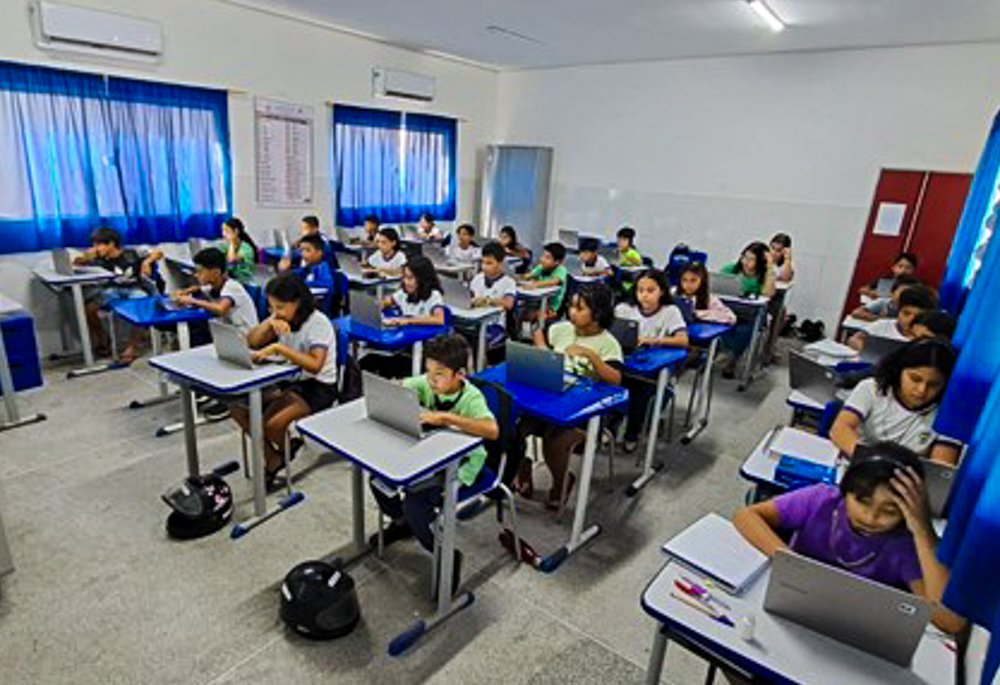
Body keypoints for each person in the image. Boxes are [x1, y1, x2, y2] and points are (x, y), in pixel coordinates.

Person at [732, 442, 964, 633]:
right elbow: (746, 516)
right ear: (846, 490)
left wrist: (922, 529)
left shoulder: (905, 545)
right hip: (792, 606)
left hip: (851, 630)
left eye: (890, 511)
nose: (871, 517)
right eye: (862, 501)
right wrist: (788, 560)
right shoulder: (821, 500)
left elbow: (950, 622)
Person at [368, 333, 499, 592]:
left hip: (462, 466)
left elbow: (492, 430)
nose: (431, 380)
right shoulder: (428, 383)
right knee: (378, 479)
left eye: (439, 374)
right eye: (428, 372)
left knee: (416, 503)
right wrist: (394, 390)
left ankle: (445, 554)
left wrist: (445, 418)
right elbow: (400, 386)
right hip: (428, 458)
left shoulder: (471, 398)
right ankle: (403, 522)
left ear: (459, 374)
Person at [511, 283, 623, 508]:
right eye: (571, 306)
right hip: (549, 401)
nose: (572, 312)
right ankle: (522, 468)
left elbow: (615, 379)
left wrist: (591, 356)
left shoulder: (608, 343)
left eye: (579, 308)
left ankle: (561, 482)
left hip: (583, 412)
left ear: (598, 313)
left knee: (554, 441)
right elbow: (539, 336)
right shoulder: (561, 329)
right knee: (512, 428)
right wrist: (542, 348)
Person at [233, 274, 338, 488]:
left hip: (317, 386)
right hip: (289, 380)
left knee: (272, 425)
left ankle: (287, 448)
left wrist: (279, 348)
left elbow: (315, 365)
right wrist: (270, 321)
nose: (276, 312)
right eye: (271, 307)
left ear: (297, 303)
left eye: (280, 307)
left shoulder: (318, 323)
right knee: (238, 409)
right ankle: (274, 457)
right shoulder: (282, 318)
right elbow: (252, 341)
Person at [830, 339, 961, 465]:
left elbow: (940, 467)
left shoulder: (950, 415)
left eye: (934, 385)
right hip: (857, 464)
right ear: (899, 370)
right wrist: (873, 462)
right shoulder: (871, 388)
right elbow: (839, 430)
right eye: (915, 379)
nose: (922, 390)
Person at [614, 269, 688, 452]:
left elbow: (683, 340)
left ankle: (632, 434)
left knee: (640, 389)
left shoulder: (670, 311)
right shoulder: (624, 309)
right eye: (640, 290)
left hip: (653, 369)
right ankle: (610, 426)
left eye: (650, 290)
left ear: (661, 291)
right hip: (626, 362)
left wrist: (653, 340)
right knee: (609, 381)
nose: (644, 295)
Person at [74, 226, 164, 363]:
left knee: (140, 307)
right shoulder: (98, 258)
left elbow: (158, 253)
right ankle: (103, 339)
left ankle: (132, 346)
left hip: (136, 288)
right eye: (94, 245)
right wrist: (85, 258)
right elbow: (75, 265)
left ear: (111, 243)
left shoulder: (133, 253)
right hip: (113, 290)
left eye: (99, 245)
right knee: (89, 310)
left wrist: (146, 262)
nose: (96, 248)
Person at [719, 242, 775, 377]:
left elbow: (768, 294)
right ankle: (713, 352)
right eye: (744, 257)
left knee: (745, 330)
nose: (745, 262)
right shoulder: (731, 269)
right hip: (728, 310)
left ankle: (733, 358)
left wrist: (770, 267)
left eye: (751, 259)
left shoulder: (764, 276)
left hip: (751, 315)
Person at [171, 247, 259, 333]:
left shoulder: (232, 287)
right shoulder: (214, 285)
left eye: (200, 271)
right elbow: (198, 288)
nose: (196, 275)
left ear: (216, 273)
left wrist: (191, 300)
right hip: (230, 335)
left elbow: (221, 309)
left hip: (246, 337)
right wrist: (184, 292)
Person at [848, 285, 937, 350]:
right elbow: (854, 339)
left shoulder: (927, 338)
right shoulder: (883, 325)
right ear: (898, 311)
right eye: (906, 314)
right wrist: (866, 350)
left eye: (918, 317)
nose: (910, 320)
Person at [382, 255, 446, 327]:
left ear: (422, 279)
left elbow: (439, 319)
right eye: (404, 277)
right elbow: (387, 301)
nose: (406, 282)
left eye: (410, 278)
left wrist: (407, 320)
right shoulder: (403, 293)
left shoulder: (434, 295)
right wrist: (381, 306)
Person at [518, 242, 569, 323]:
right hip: (537, 302)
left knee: (531, 315)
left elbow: (554, 281)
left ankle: (537, 330)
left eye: (547, 258)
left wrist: (535, 284)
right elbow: (528, 276)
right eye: (543, 256)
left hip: (552, 307)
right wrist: (519, 278)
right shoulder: (541, 267)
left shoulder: (561, 269)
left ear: (557, 262)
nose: (542, 259)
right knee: (518, 310)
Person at [469, 241, 517, 325]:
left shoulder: (509, 282)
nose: (484, 267)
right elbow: (469, 299)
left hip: (495, 324)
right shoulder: (477, 278)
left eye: (489, 263)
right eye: (483, 262)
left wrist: (488, 301)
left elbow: (509, 304)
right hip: (476, 320)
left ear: (500, 264)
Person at [850, 274, 920, 322]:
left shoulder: (914, 309)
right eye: (902, 293)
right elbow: (856, 313)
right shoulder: (883, 302)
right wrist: (881, 320)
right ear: (892, 293)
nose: (905, 296)